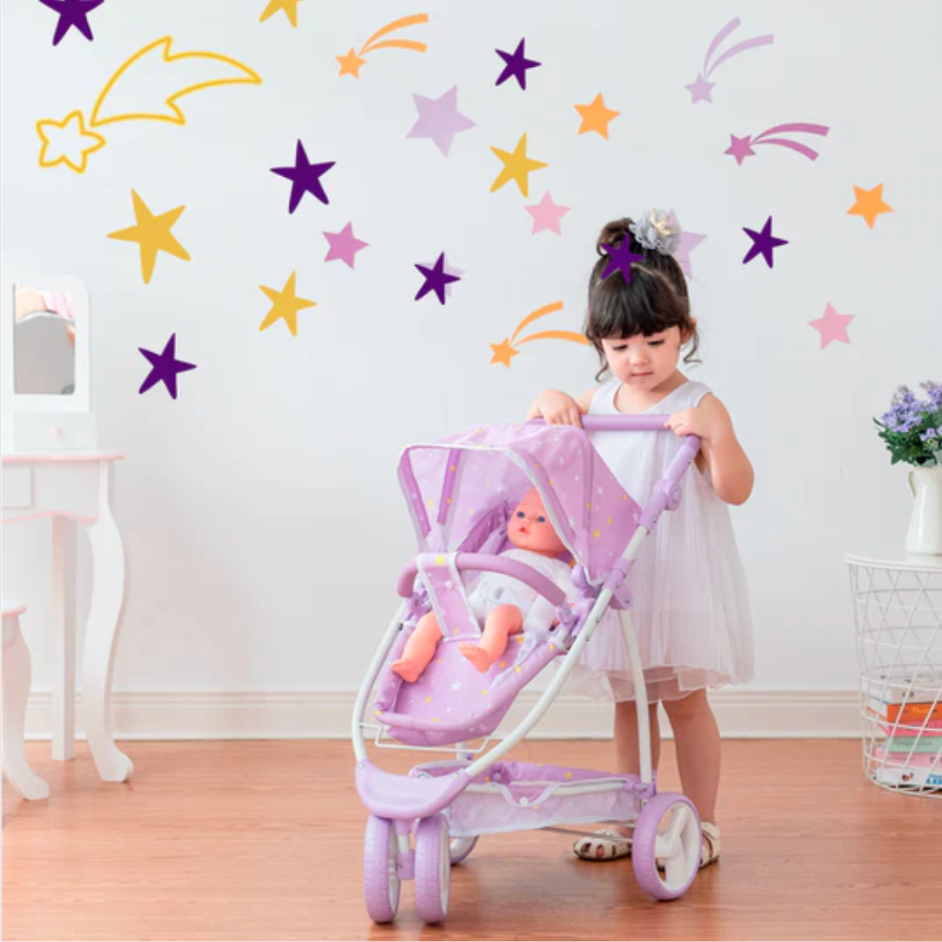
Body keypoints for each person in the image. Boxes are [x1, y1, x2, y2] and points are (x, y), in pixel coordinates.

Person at [525, 209, 754, 868]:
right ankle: (629, 816)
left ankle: (702, 824)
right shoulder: (597, 405)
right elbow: (541, 425)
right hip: (619, 578)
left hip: (677, 577)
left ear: (684, 333)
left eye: (654, 342)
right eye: (621, 347)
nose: (638, 359)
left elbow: (736, 487)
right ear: (598, 344)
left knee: (683, 701)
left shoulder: (700, 403)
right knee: (629, 703)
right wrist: (548, 398)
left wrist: (715, 437)